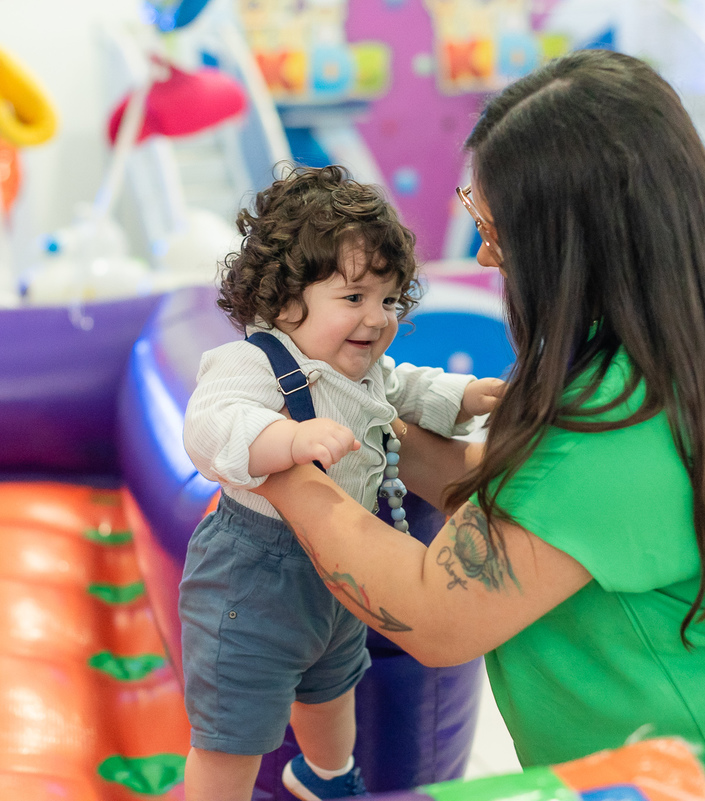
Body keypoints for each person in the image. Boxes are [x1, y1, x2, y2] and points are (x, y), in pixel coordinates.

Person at [249, 50, 705, 801]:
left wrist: (279, 458)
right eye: (477, 214)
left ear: (575, 240)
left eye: (498, 228)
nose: (488, 251)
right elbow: (519, 510)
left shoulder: (610, 422)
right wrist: (361, 407)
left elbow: (435, 614)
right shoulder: (703, 339)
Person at [180, 165, 505, 801]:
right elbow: (210, 426)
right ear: (282, 299)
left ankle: (326, 776)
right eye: (353, 299)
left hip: (334, 568)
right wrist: (288, 443)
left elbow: (407, 386)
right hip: (252, 577)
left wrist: (466, 395)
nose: (377, 318)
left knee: (333, 684)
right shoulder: (253, 362)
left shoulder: (363, 368)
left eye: (388, 300)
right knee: (233, 732)